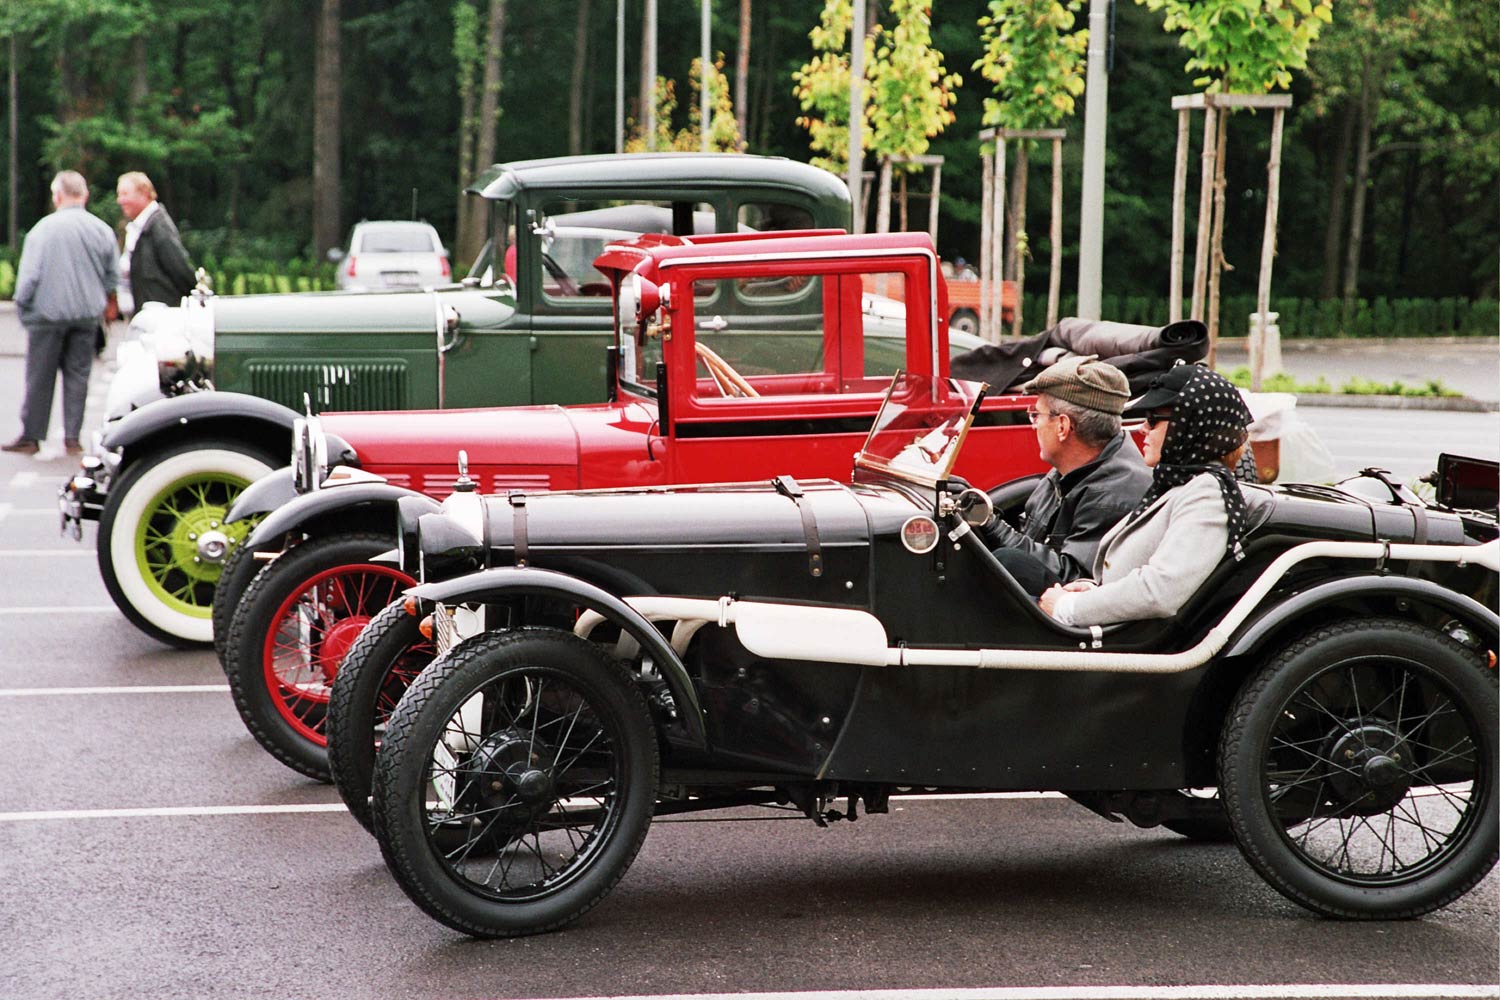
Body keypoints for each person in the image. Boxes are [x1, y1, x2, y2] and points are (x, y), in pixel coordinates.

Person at [1039, 364, 1255, 627]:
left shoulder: (1206, 493)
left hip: (1133, 641)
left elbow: (1162, 590)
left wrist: (1068, 607)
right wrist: (1092, 590)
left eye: (1153, 419)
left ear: (1189, 426)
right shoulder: (1180, 483)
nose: (1142, 428)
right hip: (1121, 629)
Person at [981, 355, 1152, 595]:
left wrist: (990, 524)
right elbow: (1032, 537)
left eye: (1036, 415)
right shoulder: (1072, 468)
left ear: (1062, 426)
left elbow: (1073, 579)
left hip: (1066, 614)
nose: (1033, 424)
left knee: (1009, 561)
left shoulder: (1115, 492)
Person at [3, 171, 119, 456]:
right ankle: (72, 437)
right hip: (86, 316)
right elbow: (112, 276)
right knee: (78, 376)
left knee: (40, 377)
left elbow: (29, 277)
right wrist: (106, 304)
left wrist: (23, 306)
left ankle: (32, 436)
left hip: (47, 316)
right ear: (85, 195)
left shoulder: (42, 230)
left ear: (57, 196)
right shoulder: (102, 230)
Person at [115, 171, 195, 315]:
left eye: (125, 194)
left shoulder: (158, 227)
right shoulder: (139, 228)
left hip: (160, 316)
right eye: (119, 195)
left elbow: (180, 270)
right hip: (146, 314)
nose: (120, 200)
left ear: (144, 193)